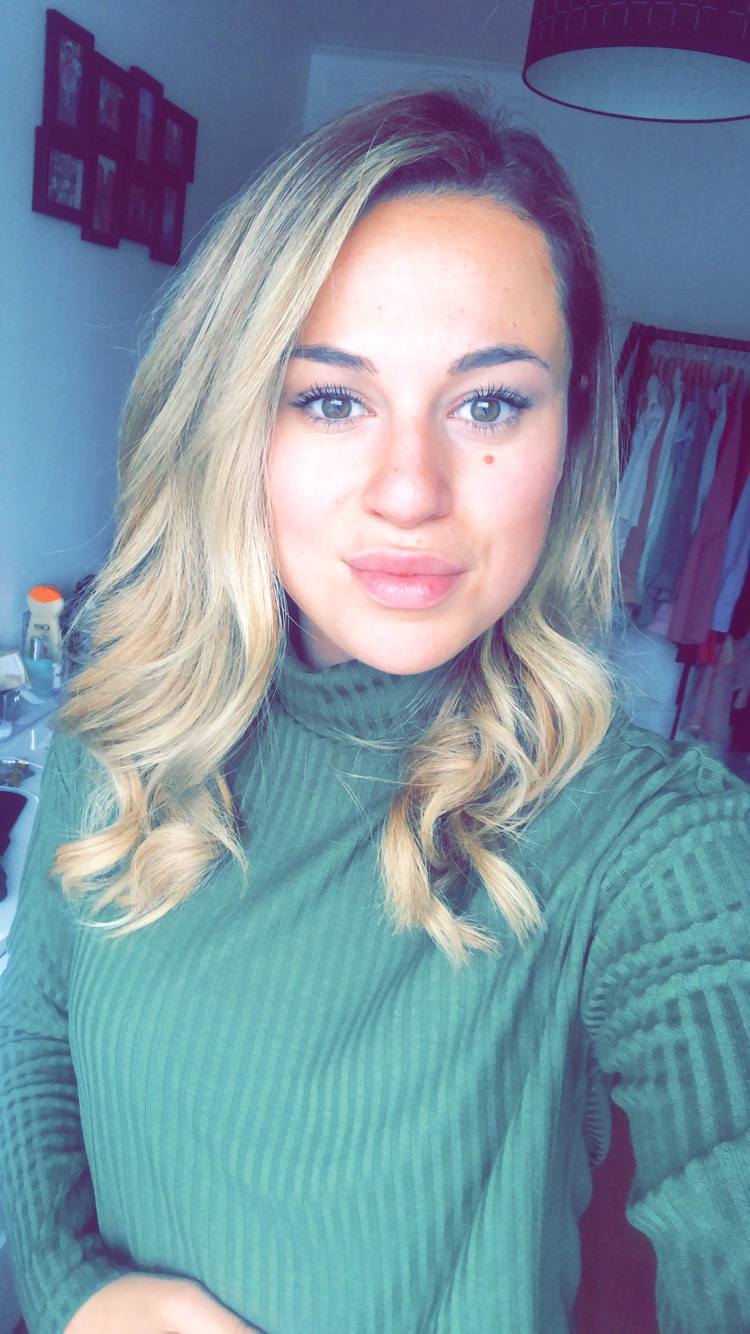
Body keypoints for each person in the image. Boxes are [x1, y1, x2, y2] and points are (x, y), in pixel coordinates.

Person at [1, 88, 748, 1334]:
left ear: (572, 439)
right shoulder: (129, 720)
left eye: (489, 403)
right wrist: (74, 1290)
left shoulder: (652, 844)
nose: (411, 489)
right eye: (333, 399)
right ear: (238, 423)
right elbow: (33, 1032)